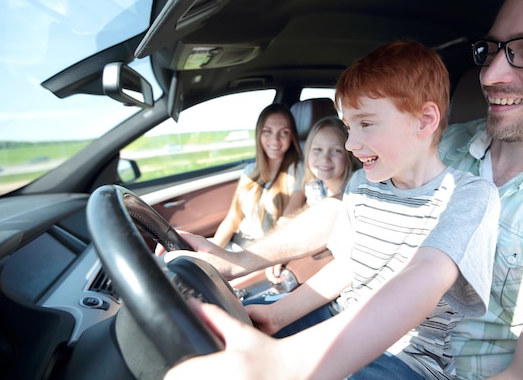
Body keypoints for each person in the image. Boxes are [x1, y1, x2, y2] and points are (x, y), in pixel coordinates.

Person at [165, 0, 523, 378]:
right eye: (490, 49)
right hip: (346, 324)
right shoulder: (444, 144)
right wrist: (247, 261)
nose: (491, 73)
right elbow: (350, 216)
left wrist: (289, 363)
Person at [167, 40, 501, 379]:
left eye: (366, 124)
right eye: (349, 127)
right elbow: (349, 267)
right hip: (336, 316)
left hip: (408, 356)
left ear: (425, 120)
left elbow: (424, 279)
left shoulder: (469, 196)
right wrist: (278, 315)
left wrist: (287, 360)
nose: (351, 144)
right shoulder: (362, 187)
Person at [266, 115, 360, 283]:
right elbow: (311, 213)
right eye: (317, 149)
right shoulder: (316, 186)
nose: (325, 158)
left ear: (349, 155)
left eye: (336, 150)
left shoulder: (354, 187)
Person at [211, 103, 304, 250]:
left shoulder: (298, 171)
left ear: (291, 136)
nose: (275, 140)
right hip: (235, 244)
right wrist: (213, 251)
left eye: (284, 132)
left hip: (262, 250)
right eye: (268, 131)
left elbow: (286, 226)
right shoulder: (250, 171)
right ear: (259, 134)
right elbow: (232, 218)